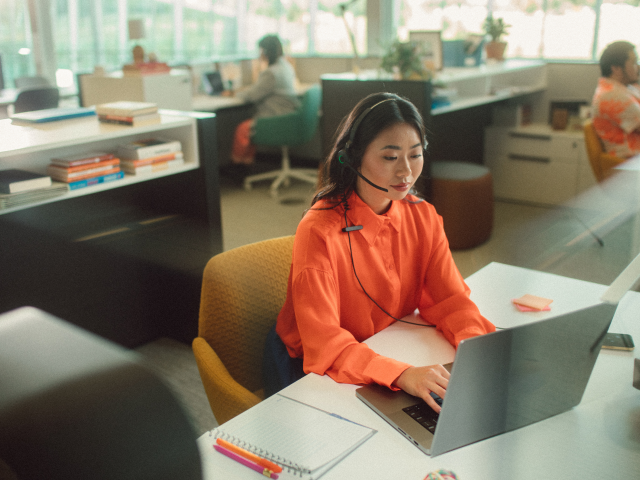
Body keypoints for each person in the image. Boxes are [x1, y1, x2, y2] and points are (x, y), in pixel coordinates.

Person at [263, 92, 495, 413]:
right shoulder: (319, 230)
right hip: (314, 364)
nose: (406, 172)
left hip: (383, 342)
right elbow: (326, 342)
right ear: (353, 157)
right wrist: (401, 374)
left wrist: (475, 345)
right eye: (390, 157)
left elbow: (450, 299)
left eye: (415, 155)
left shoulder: (422, 215)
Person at [222, 34, 299, 177]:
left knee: (243, 129)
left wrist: (233, 94)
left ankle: (238, 166)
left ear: (265, 51)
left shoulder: (271, 72)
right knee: (250, 127)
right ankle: (245, 165)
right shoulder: (286, 66)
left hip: (276, 117)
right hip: (288, 115)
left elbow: (251, 95)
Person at [592, 41, 640, 158]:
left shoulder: (625, 88)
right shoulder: (612, 96)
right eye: (633, 62)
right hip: (630, 166)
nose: (637, 67)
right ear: (616, 68)